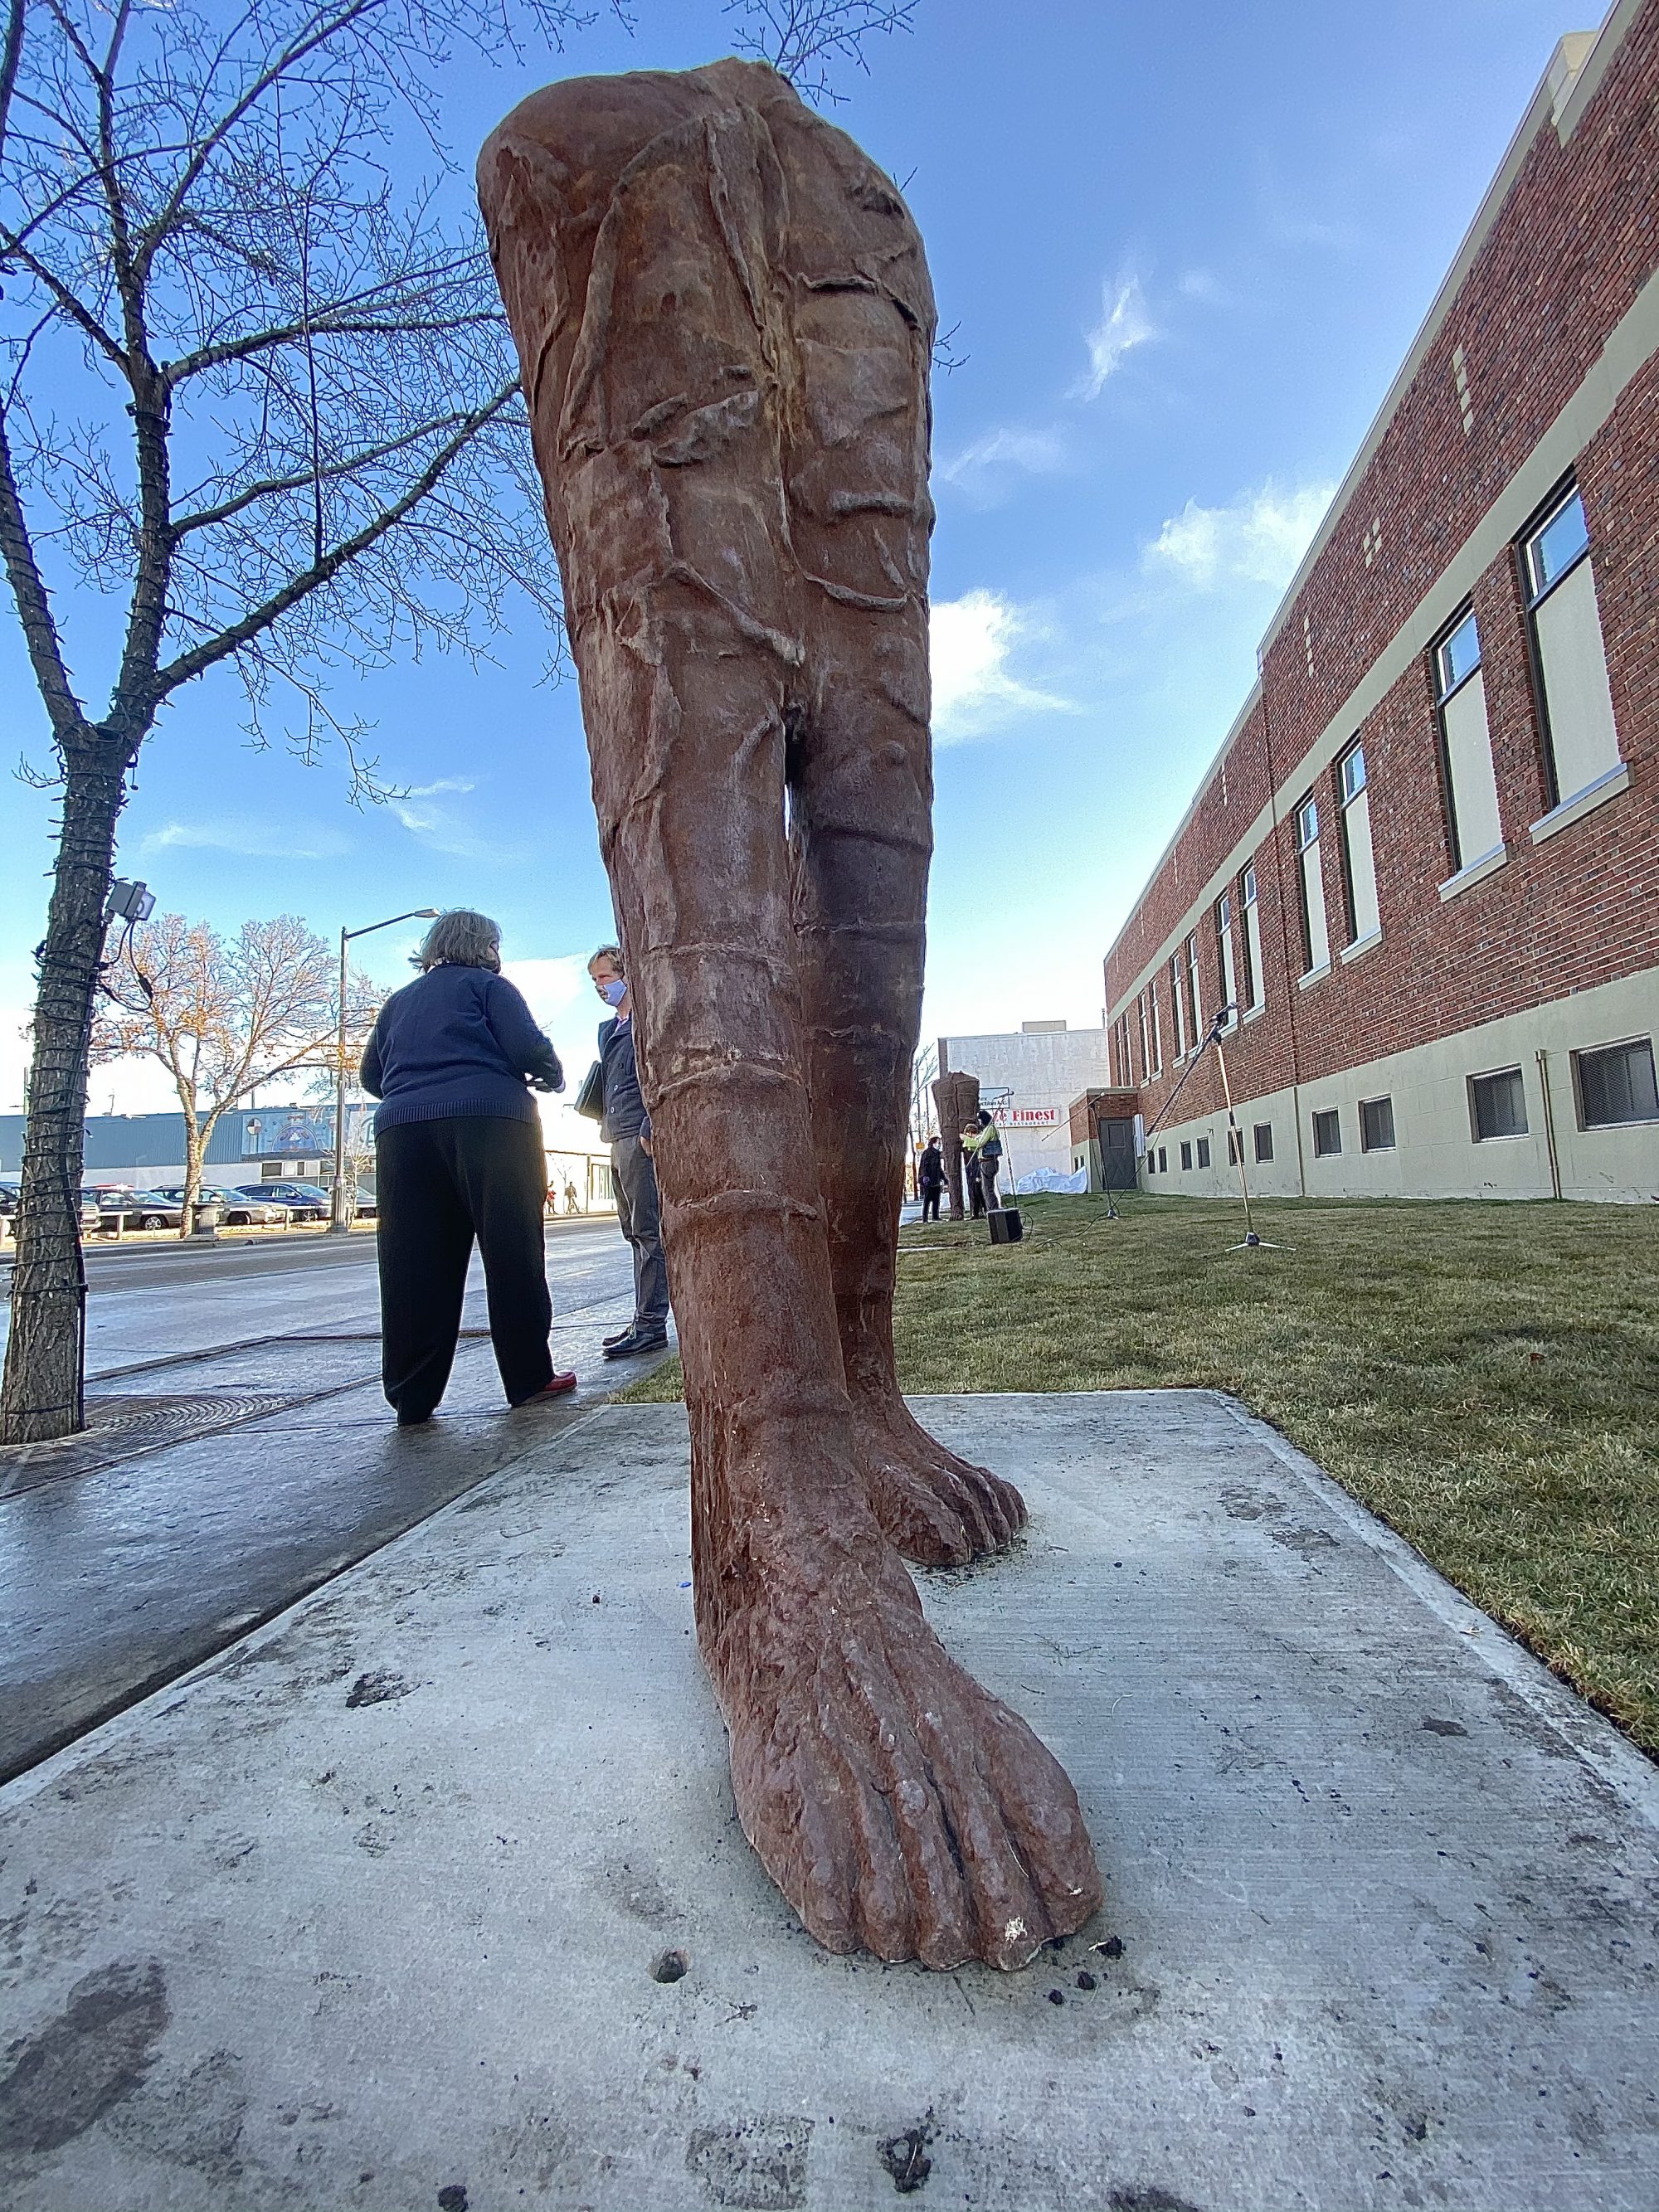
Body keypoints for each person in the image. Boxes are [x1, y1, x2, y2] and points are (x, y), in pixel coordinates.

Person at [360, 909, 575, 1425]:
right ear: (486, 947)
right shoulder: (490, 988)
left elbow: (371, 1075)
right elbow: (528, 1047)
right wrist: (551, 1074)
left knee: (412, 1262)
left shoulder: (399, 1002)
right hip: (492, 1123)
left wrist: (415, 1089)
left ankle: (413, 1395)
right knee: (512, 1249)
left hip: (404, 1132)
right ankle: (528, 1377)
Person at [587, 944, 669, 1358]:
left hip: (639, 1136)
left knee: (649, 1232)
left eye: (605, 976)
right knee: (633, 1233)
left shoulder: (646, 1022)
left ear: (625, 974)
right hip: (615, 1135)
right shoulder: (608, 1030)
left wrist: (649, 1125)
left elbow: (657, 1073)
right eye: (595, 980)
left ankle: (652, 1325)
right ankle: (642, 1318)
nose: (600, 986)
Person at [963, 1110, 1004, 1213]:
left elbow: (980, 1143)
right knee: (987, 1188)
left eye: (980, 1120)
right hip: (987, 1162)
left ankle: (993, 1209)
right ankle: (992, 1208)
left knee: (987, 1189)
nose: (979, 1122)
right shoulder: (987, 1129)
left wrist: (966, 1139)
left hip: (988, 1162)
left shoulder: (990, 1129)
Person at [917, 1135, 943, 1223]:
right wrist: (925, 1177)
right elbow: (924, 1166)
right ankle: (925, 1219)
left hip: (936, 1180)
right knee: (927, 1200)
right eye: (938, 1143)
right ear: (933, 1143)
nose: (939, 1144)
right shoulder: (927, 1153)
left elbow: (939, 1168)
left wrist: (943, 1178)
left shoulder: (937, 1154)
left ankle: (935, 1216)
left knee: (936, 1199)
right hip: (928, 1180)